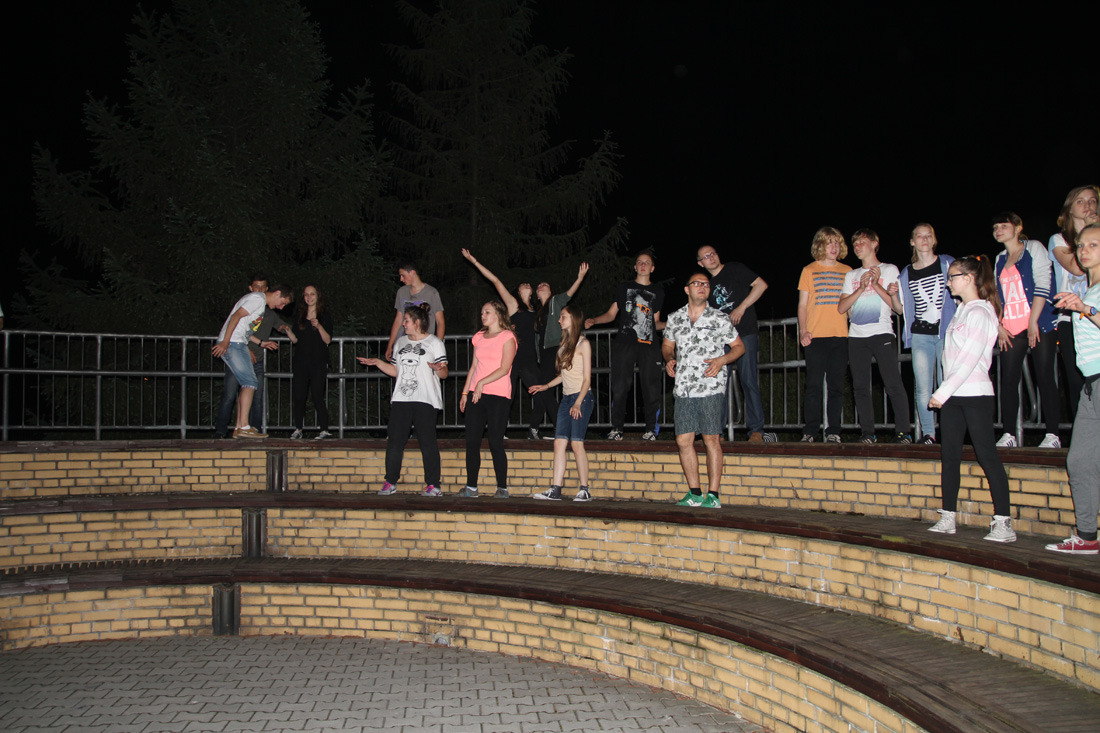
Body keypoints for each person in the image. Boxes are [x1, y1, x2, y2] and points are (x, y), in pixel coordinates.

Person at [928, 255, 1015, 542]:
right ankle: (948, 517)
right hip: (954, 396)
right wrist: (947, 392)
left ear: (968, 279)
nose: (948, 282)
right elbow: (949, 358)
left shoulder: (981, 312)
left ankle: (1003, 522)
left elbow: (968, 359)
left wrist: (941, 392)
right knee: (950, 456)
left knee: (987, 455)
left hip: (975, 393)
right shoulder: (962, 310)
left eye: (952, 277)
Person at [662, 272, 744, 508]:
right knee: (683, 440)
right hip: (684, 388)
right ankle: (695, 493)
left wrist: (722, 360)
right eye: (697, 283)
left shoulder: (719, 318)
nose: (702, 287)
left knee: (711, 439)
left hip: (710, 386)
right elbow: (667, 345)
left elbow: (739, 347)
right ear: (687, 289)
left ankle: (713, 495)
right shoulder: (675, 318)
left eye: (706, 284)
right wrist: (669, 359)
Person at [1047, 222, 1100, 554]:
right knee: (1079, 460)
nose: (1083, 250)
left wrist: (1085, 309)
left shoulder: (1091, 297)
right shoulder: (1088, 289)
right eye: (1081, 245)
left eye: (1093, 245)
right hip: (1091, 386)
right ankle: (1088, 536)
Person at [357, 304, 449, 496]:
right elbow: (395, 371)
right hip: (401, 398)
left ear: (417, 322)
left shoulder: (434, 342)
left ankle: (434, 485)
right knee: (395, 441)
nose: (403, 324)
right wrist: (378, 363)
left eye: (406, 321)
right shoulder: (400, 342)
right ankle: (390, 482)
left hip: (426, 399)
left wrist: (438, 368)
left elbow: (444, 374)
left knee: (427, 442)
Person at [991, 212, 1060, 448]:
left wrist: (1033, 322)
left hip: (1039, 322)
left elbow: (1043, 283)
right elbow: (997, 295)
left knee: (1044, 376)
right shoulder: (1000, 258)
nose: (998, 230)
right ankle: (1009, 434)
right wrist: (999, 324)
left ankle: (1052, 434)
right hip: (1011, 325)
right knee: (1009, 379)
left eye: (1004, 225)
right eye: (995, 227)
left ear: (1018, 227)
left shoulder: (1033, 248)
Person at [837, 228, 911, 444]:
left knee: (893, 384)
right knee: (860, 387)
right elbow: (841, 308)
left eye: (862, 242)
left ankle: (903, 433)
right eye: (855, 243)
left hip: (882, 333)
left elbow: (896, 307)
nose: (857, 246)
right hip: (856, 337)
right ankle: (868, 433)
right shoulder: (851, 275)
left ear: (874, 243)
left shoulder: (889, 269)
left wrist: (876, 284)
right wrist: (860, 288)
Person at [460, 249, 543, 439]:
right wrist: (474, 262)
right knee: (508, 394)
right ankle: (499, 430)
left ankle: (536, 429)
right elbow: (496, 281)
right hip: (512, 356)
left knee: (542, 393)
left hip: (529, 358)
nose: (527, 284)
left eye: (528, 284)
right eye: (522, 284)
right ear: (517, 292)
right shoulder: (513, 304)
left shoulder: (536, 310)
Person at [585, 249, 664, 441]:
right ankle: (616, 429)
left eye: (647, 262)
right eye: (640, 262)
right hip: (625, 343)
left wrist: (674, 323)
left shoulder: (658, 291)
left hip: (649, 345)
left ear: (652, 268)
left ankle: (651, 430)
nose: (643, 265)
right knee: (620, 387)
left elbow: (656, 322)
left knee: (651, 388)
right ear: (635, 266)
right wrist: (595, 320)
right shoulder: (625, 287)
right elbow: (611, 314)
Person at [696, 244, 772, 442]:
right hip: (722, 340)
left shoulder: (735, 268)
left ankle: (756, 430)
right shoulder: (707, 284)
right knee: (718, 383)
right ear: (701, 263)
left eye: (712, 253)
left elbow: (761, 285)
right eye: (705, 256)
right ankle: (717, 432)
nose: (711, 257)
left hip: (745, 332)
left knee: (748, 380)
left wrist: (742, 307)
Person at [891, 224, 956, 444]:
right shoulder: (906, 273)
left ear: (934, 239)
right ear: (912, 241)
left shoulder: (947, 263)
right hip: (920, 335)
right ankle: (929, 434)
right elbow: (901, 310)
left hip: (946, 333)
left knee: (947, 382)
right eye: (920, 236)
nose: (924, 240)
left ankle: (950, 432)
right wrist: (892, 295)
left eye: (929, 236)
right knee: (923, 388)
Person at [214, 274, 293, 438]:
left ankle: (239, 428)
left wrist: (261, 343)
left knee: (248, 382)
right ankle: (244, 427)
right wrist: (225, 341)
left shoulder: (260, 305)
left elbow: (245, 330)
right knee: (250, 382)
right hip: (234, 343)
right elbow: (235, 317)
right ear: (277, 293)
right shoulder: (257, 299)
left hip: (239, 341)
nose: (281, 307)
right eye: (282, 303)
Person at [530, 305, 594, 501]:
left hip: (582, 398)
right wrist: (546, 386)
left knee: (576, 443)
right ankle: (555, 489)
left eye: (562, 317)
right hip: (567, 399)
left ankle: (585, 490)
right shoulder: (564, 344)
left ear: (573, 319)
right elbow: (563, 376)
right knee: (559, 443)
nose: (559, 320)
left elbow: (587, 379)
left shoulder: (583, 344)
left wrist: (578, 402)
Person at [1048, 185, 1099, 422]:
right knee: (1076, 379)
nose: (1088, 206)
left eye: (1092, 201)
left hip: (1094, 308)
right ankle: (1083, 429)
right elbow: (1077, 268)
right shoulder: (1059, 239)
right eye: (1081, 201)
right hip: (1071, 317)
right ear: (1069, 208)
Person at [797, 227, 851, 443]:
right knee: (813, 385)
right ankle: (810, 431)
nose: (834, 247)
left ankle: (833, 431)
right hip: (815, 336)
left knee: (836, 386)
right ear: (820, 245)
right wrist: (803, 330)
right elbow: (802, 305)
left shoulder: (848, 270)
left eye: (837, 242)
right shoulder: (809, 270)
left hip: (840, 335)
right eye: (829, 243)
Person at [458, 300, 517, 498]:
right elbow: (474, 367)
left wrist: (482, 383)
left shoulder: (508, 337)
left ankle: (502, 488)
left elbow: (505, 368)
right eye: (482, 312)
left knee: (495, 441)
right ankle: (471, 487)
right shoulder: (479, 337)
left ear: (498, 314)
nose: (483, 315)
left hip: (498, 395)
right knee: (472, 441)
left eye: (487, 312)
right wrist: (465, 392)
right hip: (476, 394)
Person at [531, 263, 590, 434]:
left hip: (556, 348)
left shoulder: (556, 302)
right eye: (539, 285)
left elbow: (569, 294)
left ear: (550, 291)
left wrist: (579, 278)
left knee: (544, 389)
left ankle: (559, 426)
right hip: (544, 353)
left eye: (545, 284)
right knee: (543, 389)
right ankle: (534, 428)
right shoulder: (538, 313)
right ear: (537, 294)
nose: (541, 285)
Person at [290, 285, 334, 440]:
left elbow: (328, 340)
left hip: (318, 362)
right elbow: (295, 339)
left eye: (312, 294)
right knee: (299, 396)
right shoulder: (299, 315)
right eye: (306, 294)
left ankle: (324, 430)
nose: (309, 297)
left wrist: (319, 326)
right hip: (301, 361)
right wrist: (287, 331)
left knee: (317, 395)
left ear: (318, 296)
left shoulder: (324, 315)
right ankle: (298, 429)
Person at [385, 262, 445, 362]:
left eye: (403, 275)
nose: (401, 279)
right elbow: (398, 319)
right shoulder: (401, 292)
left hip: (424, 345)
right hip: (403, 344)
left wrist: (438, 347)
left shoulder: (432, 293)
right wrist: (390, 345)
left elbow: (440, 322)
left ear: (412, 273)